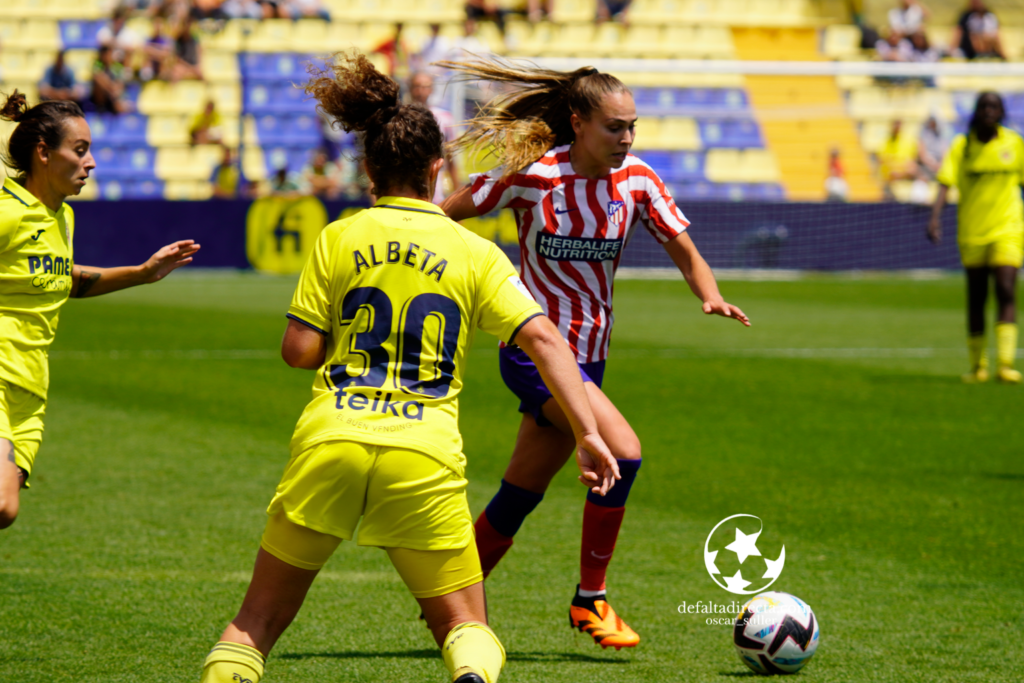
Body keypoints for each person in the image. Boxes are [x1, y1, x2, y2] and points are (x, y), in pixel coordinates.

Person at [196, 52, 618, 683]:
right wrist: (586, 432)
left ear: (369, 169)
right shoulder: (474, 250)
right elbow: (545, 340)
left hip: (332, 440)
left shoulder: (340, 236)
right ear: (436, 167)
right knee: (466, 630)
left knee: (254, 623)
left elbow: (298, 351)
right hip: (423, 453)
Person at [436, 57, 750, 649]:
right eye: (614, 127)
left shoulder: (638, 181)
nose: (626, 138)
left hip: (590, 358)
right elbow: (449, 212)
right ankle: (590, 599)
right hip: (533, 351)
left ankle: (447, 602)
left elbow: (686, 251)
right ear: (578, 124)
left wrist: (709, 295)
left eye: (632, 126)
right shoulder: (535, 176)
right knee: (623, 453)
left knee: (520, 494)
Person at [0, 91, 199, 529]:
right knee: (2, 503)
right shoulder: (7, 213)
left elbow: (63, 279)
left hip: (29, 394)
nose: (90, 163)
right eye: (80, 150)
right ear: (43, 153)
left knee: (5, 512)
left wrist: (142, 273)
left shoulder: (62, 218)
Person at [928, 92, 1023, 384]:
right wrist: (934, 217)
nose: (988, 111)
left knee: (1006, 288)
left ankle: (1005, 364)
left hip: (1008, 228)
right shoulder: (962, 146)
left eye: (994, 106)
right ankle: (977, 366)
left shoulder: (1014, 143)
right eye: (983, 106)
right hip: (972, 232)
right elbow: (945, 182)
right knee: (977, 297)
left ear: (1001, 112)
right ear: (976, 112)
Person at [409, 72, 460, 203]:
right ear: (410, 88)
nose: (421, 91)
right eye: (417, 86)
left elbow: (451, 160)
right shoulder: (401, 117)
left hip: (435, 192)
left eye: (425, 86)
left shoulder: (445, 118)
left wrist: (457, 196)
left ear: (431, 89)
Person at [91, 45, 133, 115]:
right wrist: (112, 89)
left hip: (113, 96)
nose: (110, 56)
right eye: (108, 54)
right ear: (103, 55)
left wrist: (116, 89)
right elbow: (99, 79)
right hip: (103, 97)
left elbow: (120, 82)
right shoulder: (98, 64)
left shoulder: (115, 66)